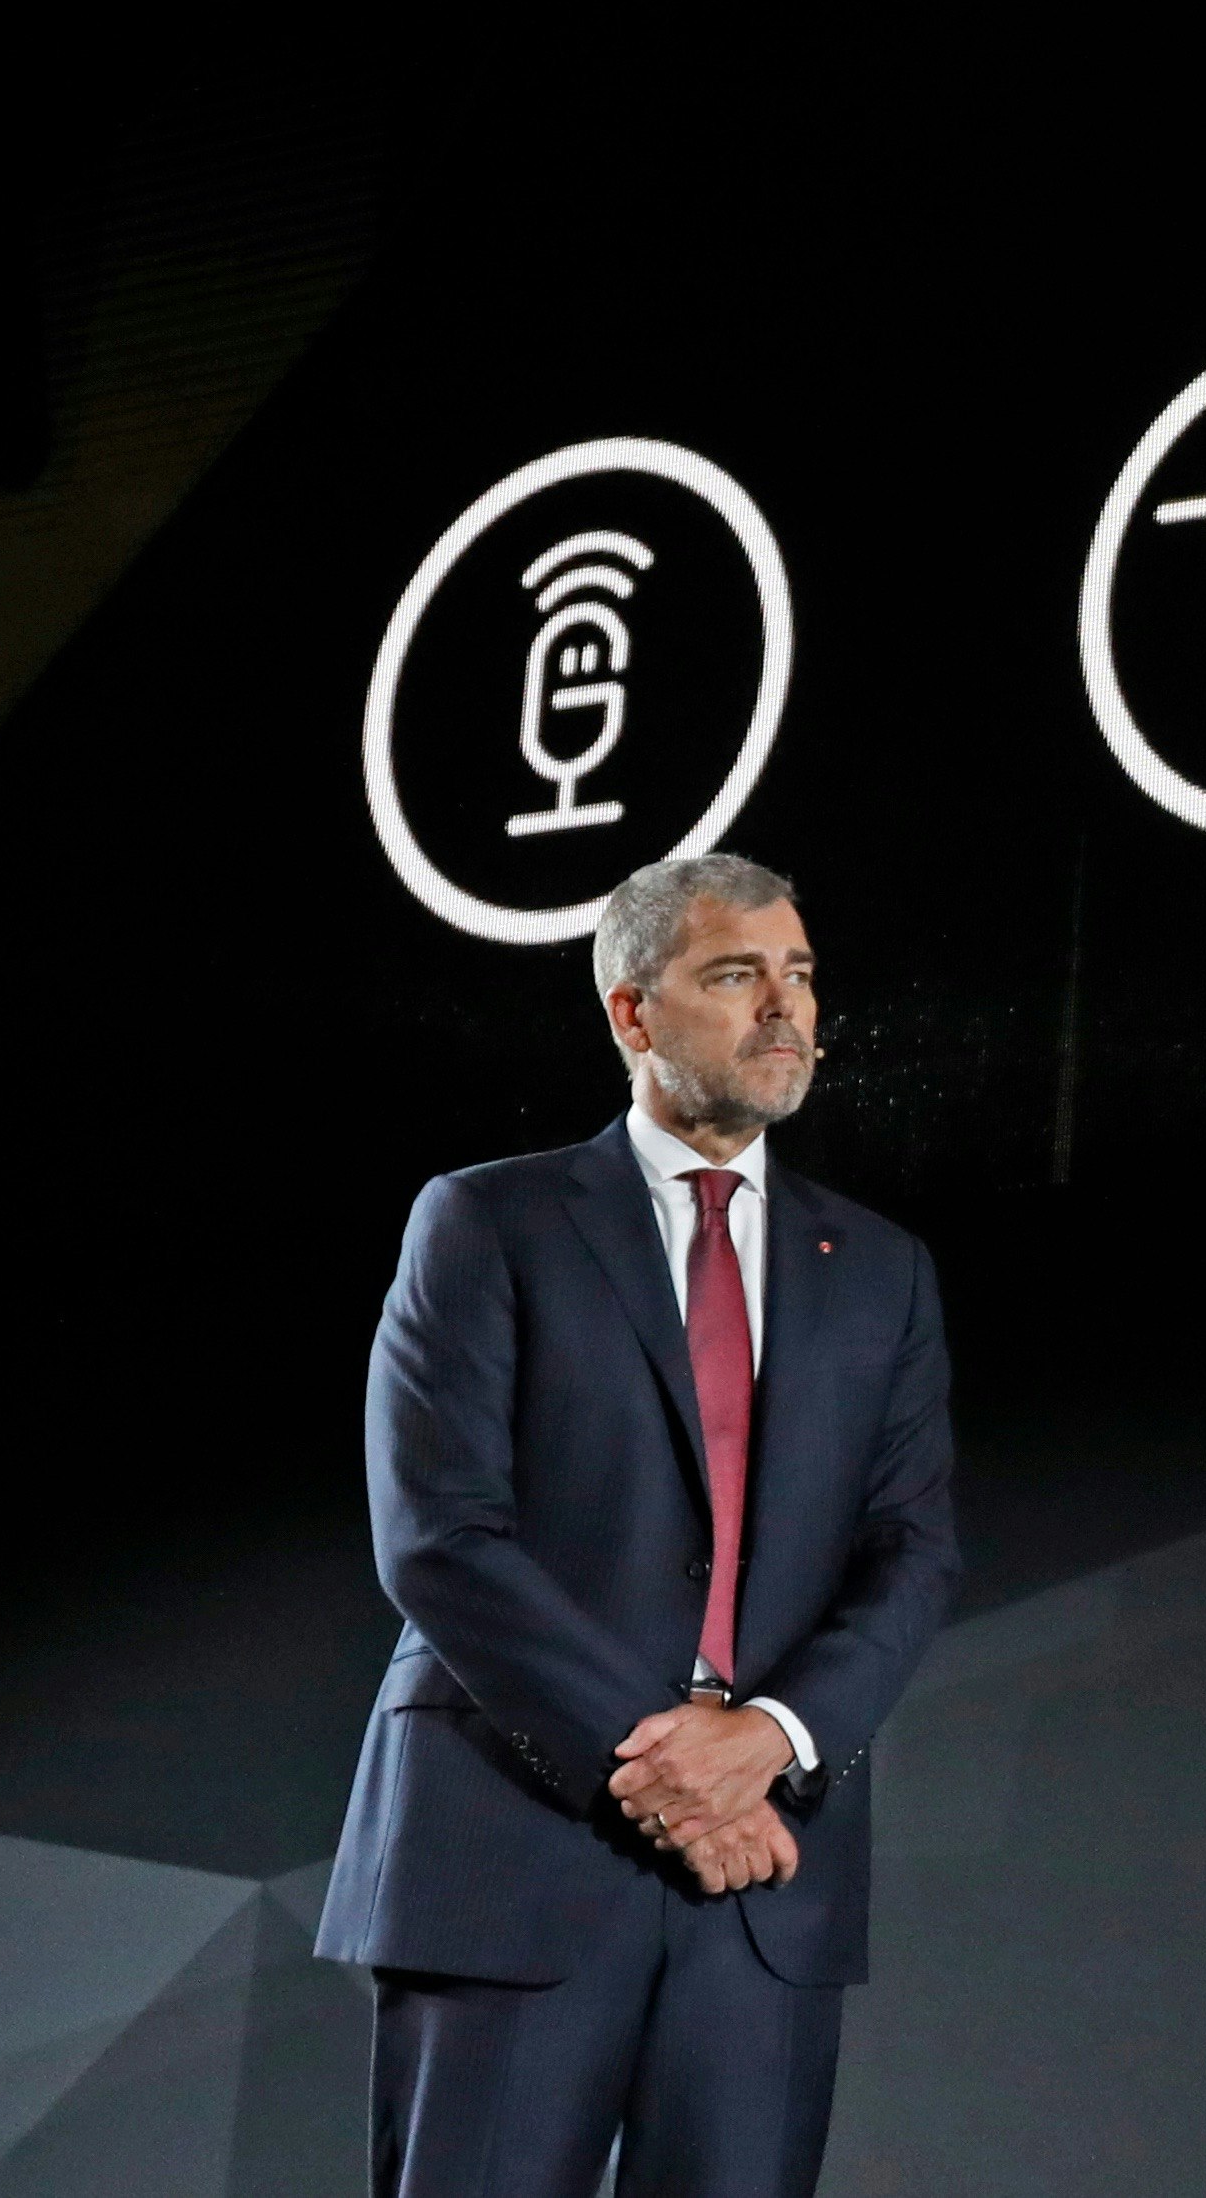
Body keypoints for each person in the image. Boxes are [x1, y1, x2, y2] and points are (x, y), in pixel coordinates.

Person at [316, 852, 960, 2198]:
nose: (785, 1009)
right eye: (736, 976)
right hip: (512, 1851)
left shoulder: (884, 1272)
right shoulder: (487, 1221)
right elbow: (440, 1535)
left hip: (765, 1876)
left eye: (799, 975)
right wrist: (674, 1773)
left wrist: (764, 1744)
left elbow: (913, 1551)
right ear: (632, 1012)